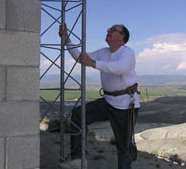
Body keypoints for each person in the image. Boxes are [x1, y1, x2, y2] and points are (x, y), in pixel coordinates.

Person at [59, 24, 140, 169]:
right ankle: (78, 160)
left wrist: (94, 63)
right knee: (78, 115)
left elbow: (119, 68)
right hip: (108, 101)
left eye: (113, 30)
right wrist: (67, 39)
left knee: (123, 146)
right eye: (108, 29)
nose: (108, 31)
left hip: (125, 105)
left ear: (122, 36)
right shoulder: (104, 52)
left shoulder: (127, 52)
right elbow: (81, 57)